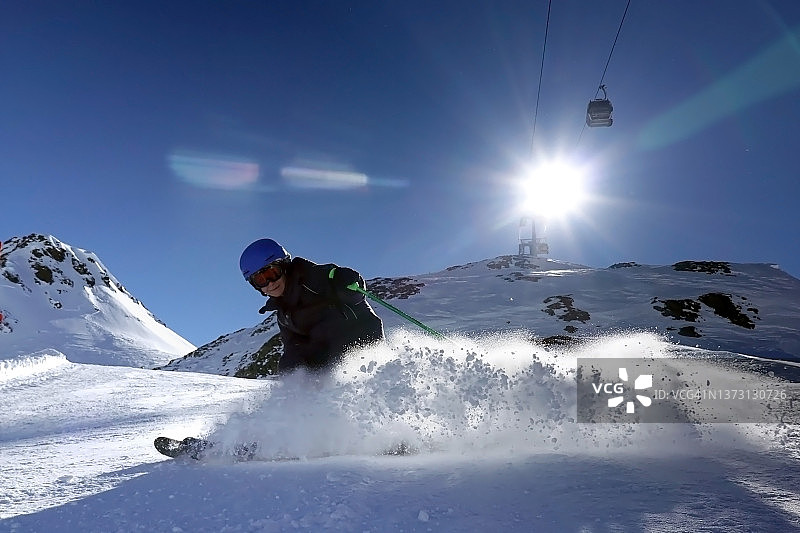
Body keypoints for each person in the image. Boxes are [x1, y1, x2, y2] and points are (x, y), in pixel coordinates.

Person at [239, 238, 384, 373]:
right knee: (289, 363)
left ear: (284, 266)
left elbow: (352, 291)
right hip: (333, 365)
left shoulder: (313, 278)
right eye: (260, 280)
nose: (270, 283)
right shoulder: (284, 315)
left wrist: (346, 280)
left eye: (272, 273)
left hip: (361, 347)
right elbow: (293, 347)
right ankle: (306, 396)